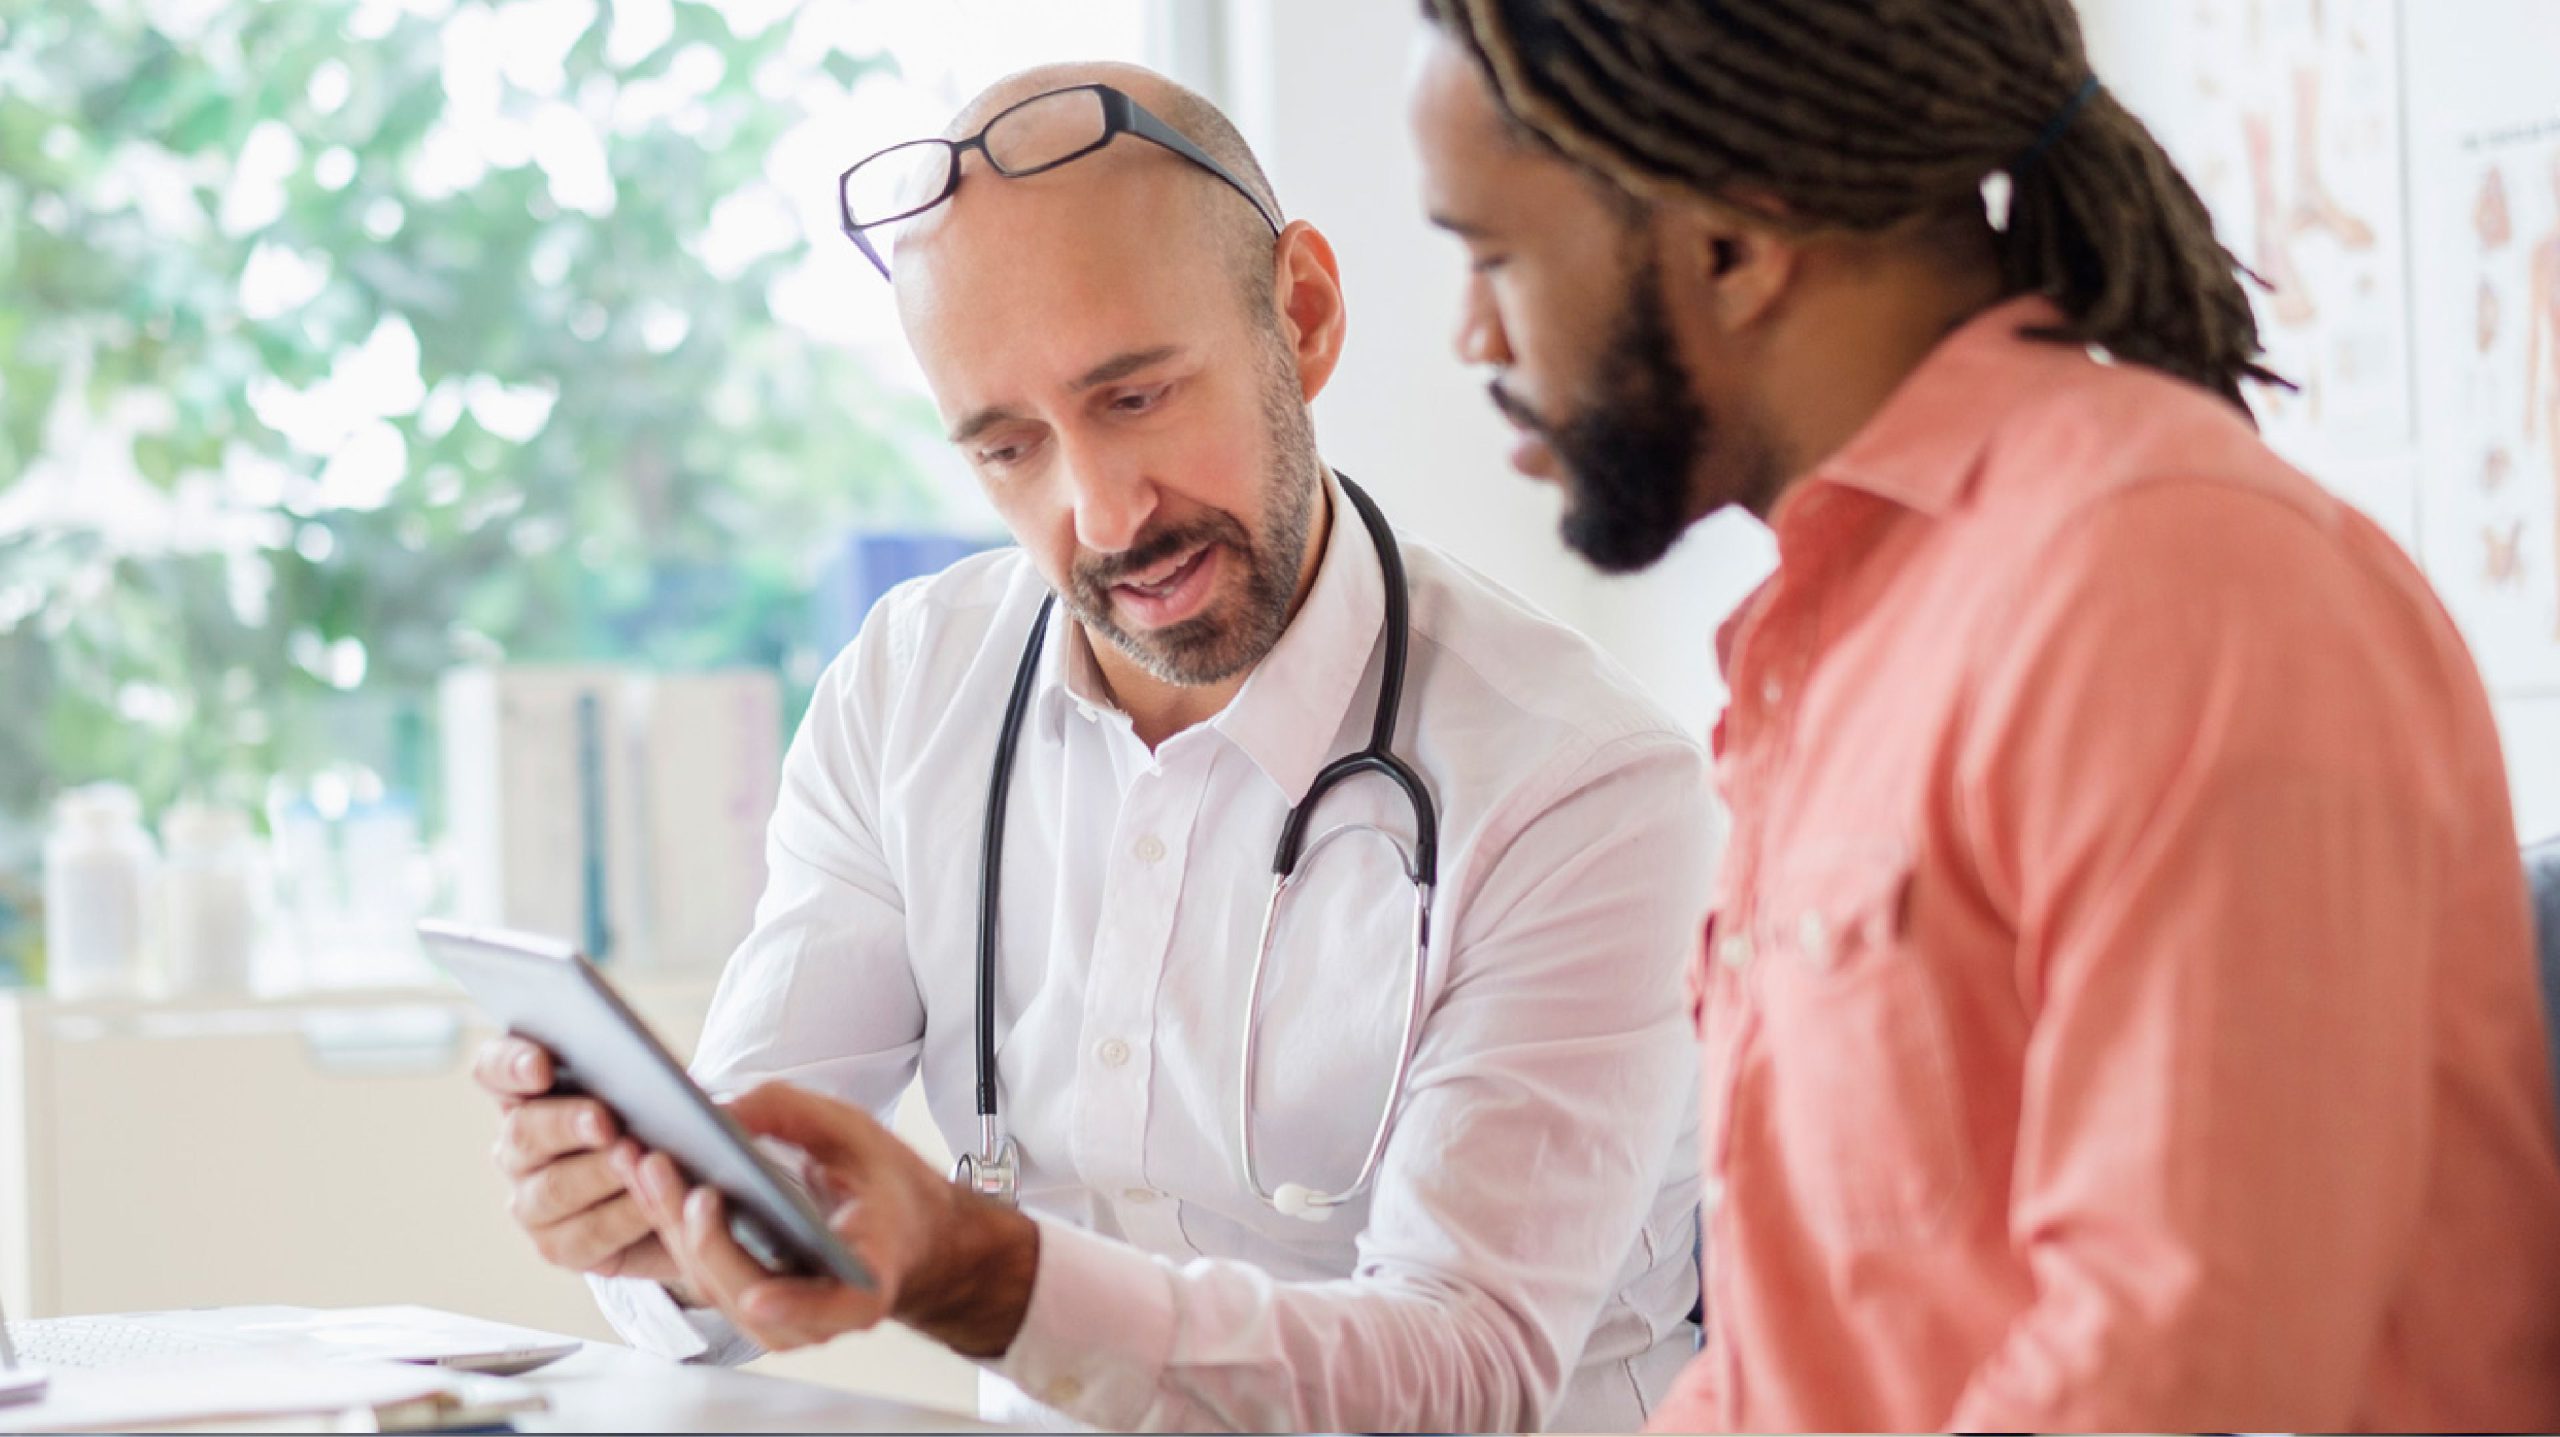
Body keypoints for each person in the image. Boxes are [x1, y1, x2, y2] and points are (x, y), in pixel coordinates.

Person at [473, 60, 1710, 1433]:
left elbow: (1462, 1374)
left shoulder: (1584, 785)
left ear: (1300, 314)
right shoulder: (908, 689)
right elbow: (750, 1222)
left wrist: (972, 1268)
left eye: (1136, 398)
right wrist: (654, 1208)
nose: (1106, 512)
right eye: (1009, 447)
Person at [1406, 2, 2560, 1431]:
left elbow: (2178, 1368)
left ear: (1735, 245)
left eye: (1492, 255)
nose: (1468, 332)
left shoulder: (2166, 589)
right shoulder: (1852, 628)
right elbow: (1815, 1358)